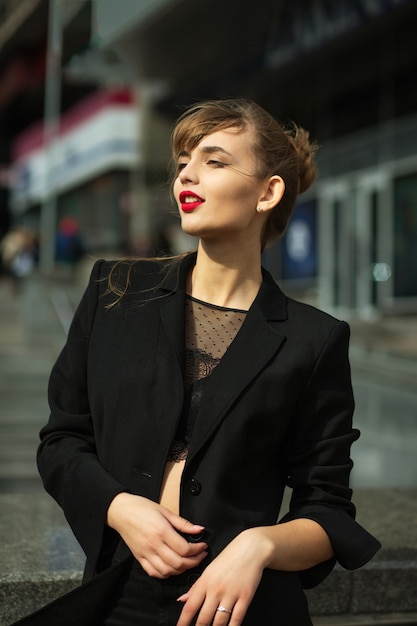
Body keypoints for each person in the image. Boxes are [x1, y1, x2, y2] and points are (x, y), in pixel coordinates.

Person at [14, 98, 380, 626]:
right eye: (184, 159)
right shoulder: (114, 291)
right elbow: (62, 441)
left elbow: (327, 509)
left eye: (215, 160)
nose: (187, 172)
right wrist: (120, 507)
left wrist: (259, 546)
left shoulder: (314, 339)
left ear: (268, 192)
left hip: (243, 608)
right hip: (122, 597)